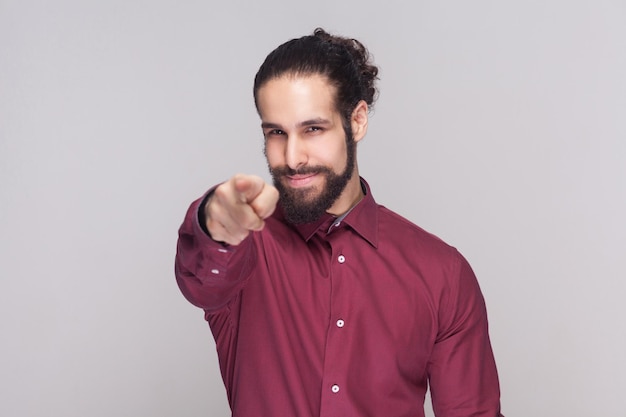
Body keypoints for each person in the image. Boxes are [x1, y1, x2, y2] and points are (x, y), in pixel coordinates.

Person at [175, 28, 504, 417]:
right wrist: (216, 222)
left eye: (313, 129)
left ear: (358, 120)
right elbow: (202, 274)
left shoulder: (442, 273)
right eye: (276, 133)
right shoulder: (248, 246)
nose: (293, 157)